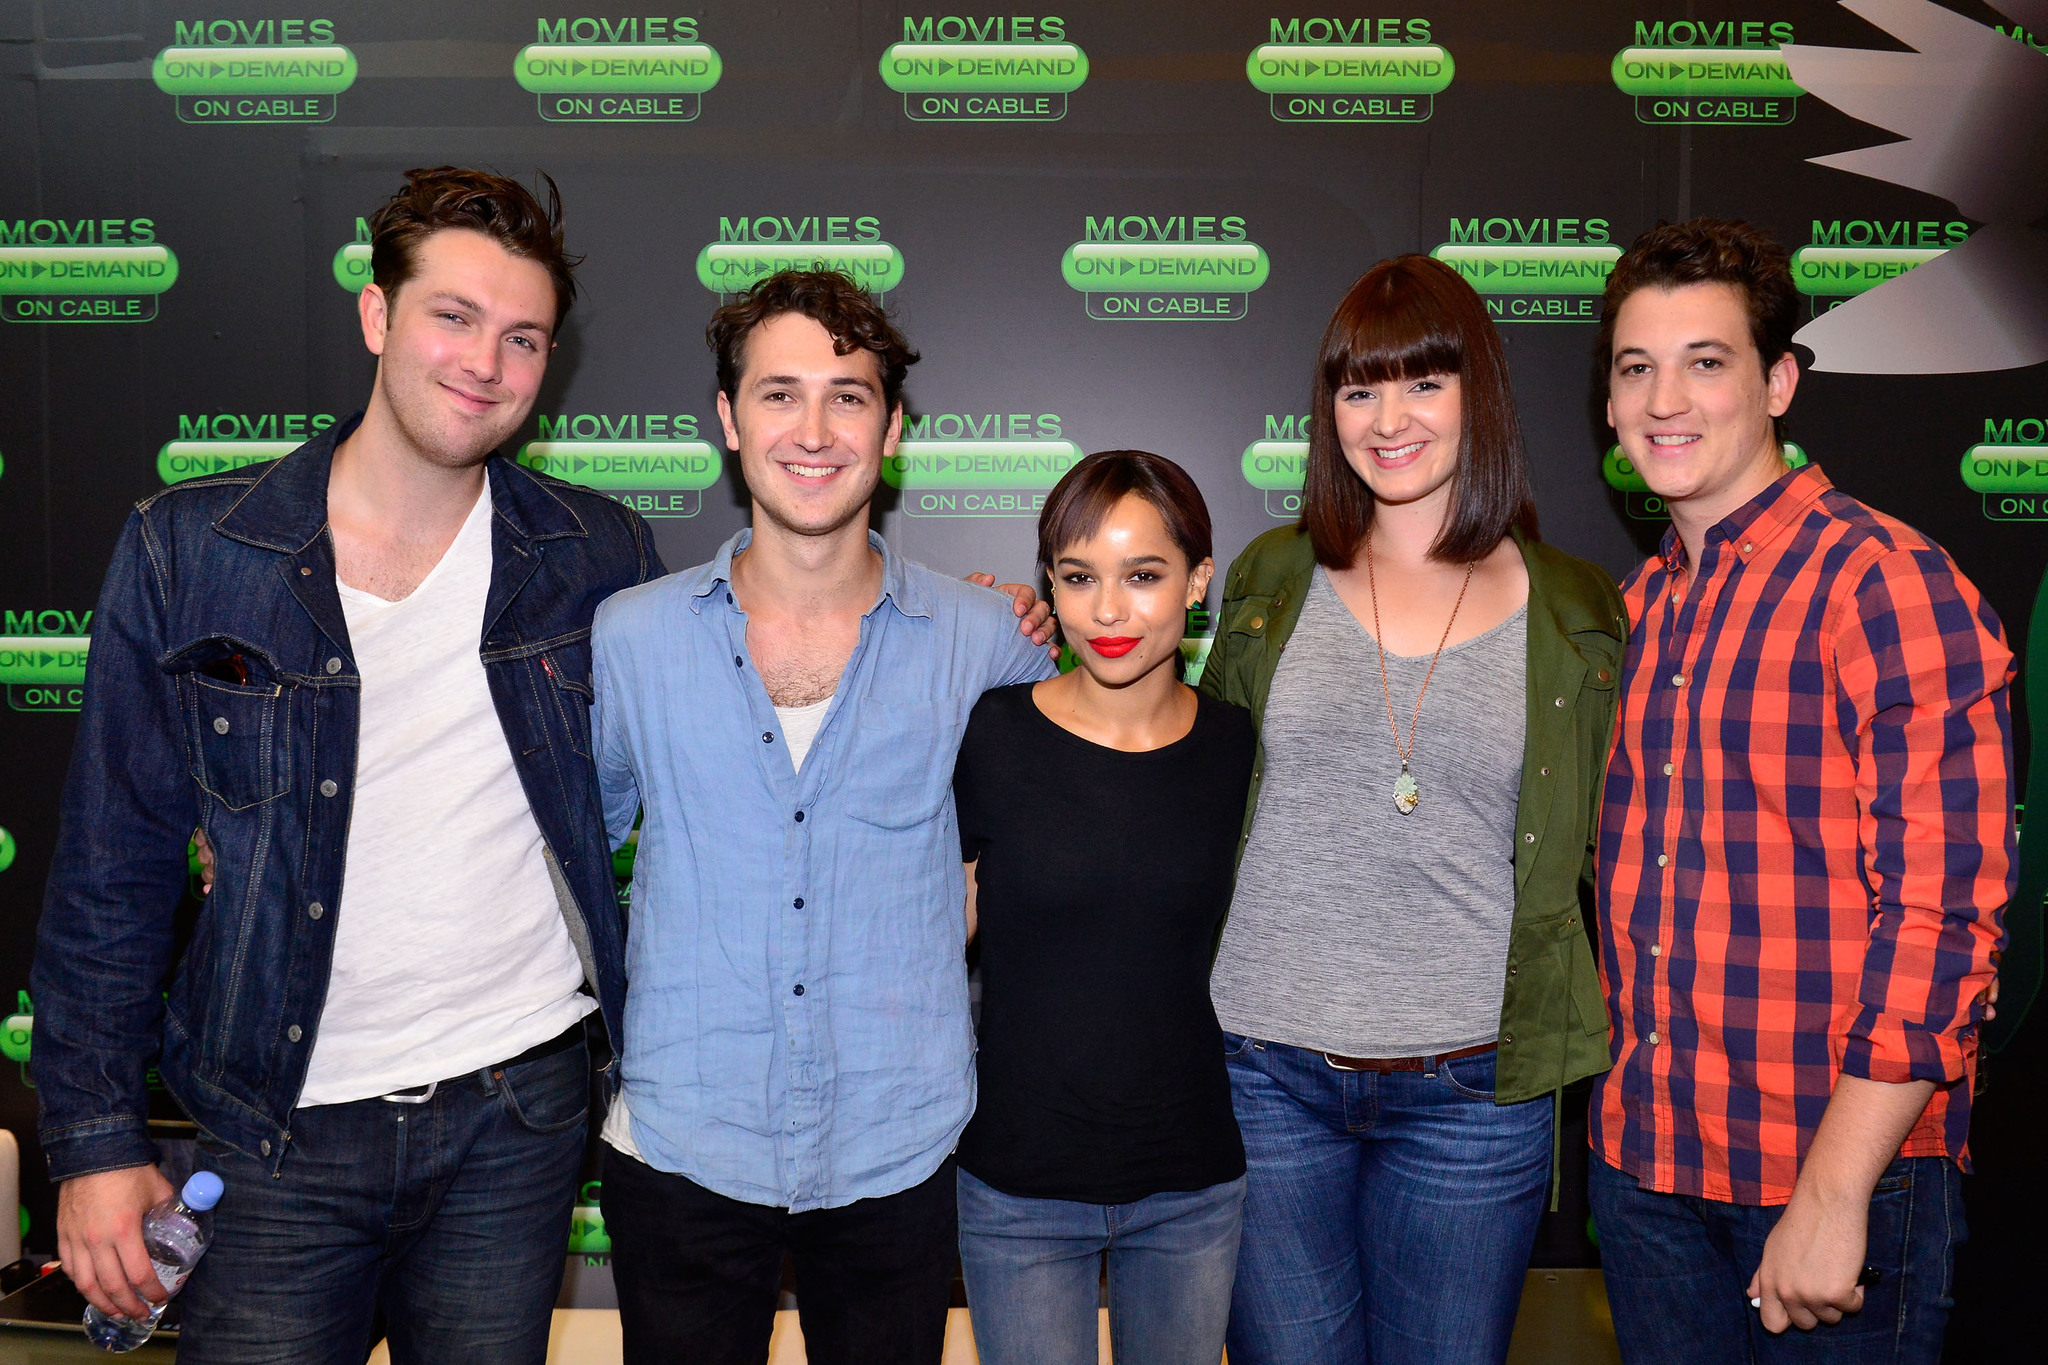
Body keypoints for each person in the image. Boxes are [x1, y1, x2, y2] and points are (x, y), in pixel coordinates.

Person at [30, 166, 656, 1364]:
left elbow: (753, 670)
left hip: (513, 1126)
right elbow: (113, 871)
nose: (486, 362)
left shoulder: (596, 556)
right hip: (270, 1134)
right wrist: (97, 1142)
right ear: (378, 317)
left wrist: (995, 630)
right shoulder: (191, 551)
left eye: (522, 337)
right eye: (453, 317)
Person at [590, 268, 1056, 1365]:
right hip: (682, 1142)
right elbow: (554, 857)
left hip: (899, 1145)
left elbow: (1054, 845)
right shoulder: (631, 639)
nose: (812, 430)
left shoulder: (989, 639)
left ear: (890, 430)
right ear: (727, 419)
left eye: (846, 397)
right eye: (777, 393)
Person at [1586, 219, 2013, 1364]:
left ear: (1776, 381)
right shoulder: (1631, 612)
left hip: (1832, 1182)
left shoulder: (1885, 586)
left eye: (1704, 361)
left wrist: (1830, 1193)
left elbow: (1942, 920)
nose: (1664, 399)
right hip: (1647, 1176)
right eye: (1635, 369)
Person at [1201, 254, 1627, 1364]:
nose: (1387, 419)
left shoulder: (1576, 607)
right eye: (1358, 389)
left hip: (1473, 1094)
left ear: (1475, 393)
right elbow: (1180, 769)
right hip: (1262, 1077)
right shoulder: (1268, 580)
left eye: (1421, 383)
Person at [952, 451, 1253, 1365]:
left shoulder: (1239, 744)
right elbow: (932, 932)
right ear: (1050, 584)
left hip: (1192, 1187)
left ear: (1199, 580)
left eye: (1144, 576)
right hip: (1017, 1189)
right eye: (1078, 578)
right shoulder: (990, 729)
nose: (1109, 611)